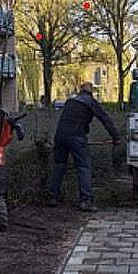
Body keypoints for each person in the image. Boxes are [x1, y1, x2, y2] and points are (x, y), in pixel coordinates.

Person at [47, 82, 120, 211]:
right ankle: (86, 201)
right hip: (77, 137)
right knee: (83, 167)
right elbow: (105, 119)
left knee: (59, 165)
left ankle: (52, 197)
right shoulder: (90, 101)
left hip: (60, 136)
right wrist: (115, 137)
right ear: (90, 92)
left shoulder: (70, 101)